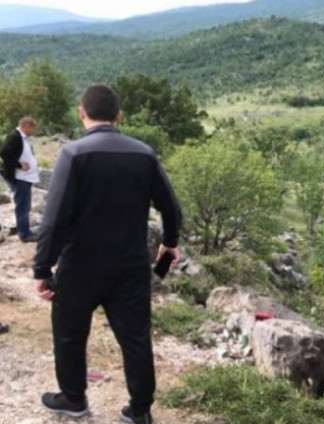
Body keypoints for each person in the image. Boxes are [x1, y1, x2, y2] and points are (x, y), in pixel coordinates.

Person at [32, 84, 182, 424]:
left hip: (80, 265)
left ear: (81, 113)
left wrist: (42, 268)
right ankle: (140, 410)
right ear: (119, 116)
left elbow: (54, 220)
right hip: (129, 265)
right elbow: (171, 207)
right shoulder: (144, 153)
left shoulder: (73, 154)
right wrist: (169, 240)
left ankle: (73, 399)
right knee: (135, 338)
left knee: (70, 334)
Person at [0, 116, 40, 242]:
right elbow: (4, 152)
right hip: (20, 177)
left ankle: (26, 230)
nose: (32, 131)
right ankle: (24, 234)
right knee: (22, 206)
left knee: (25, 205)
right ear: (26, 126)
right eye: (32, 128)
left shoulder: (22, 137)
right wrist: (19, 165)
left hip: (26, 177)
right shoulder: (15, 136)